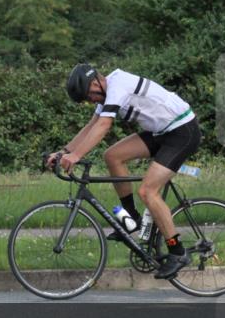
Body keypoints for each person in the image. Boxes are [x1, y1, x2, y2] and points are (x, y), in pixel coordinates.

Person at [49, 64, 201, 279]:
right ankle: (132, 218)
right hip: (161, 132)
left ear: (96, 83)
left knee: (148, 192)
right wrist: (63, 152)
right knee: (112, 156)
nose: (91, 101)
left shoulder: (118, 86)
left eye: (89, 96)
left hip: (182, 132)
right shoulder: (106, 92)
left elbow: (103, 126)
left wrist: (76, 156)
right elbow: (91, 126)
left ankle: (178, 252)